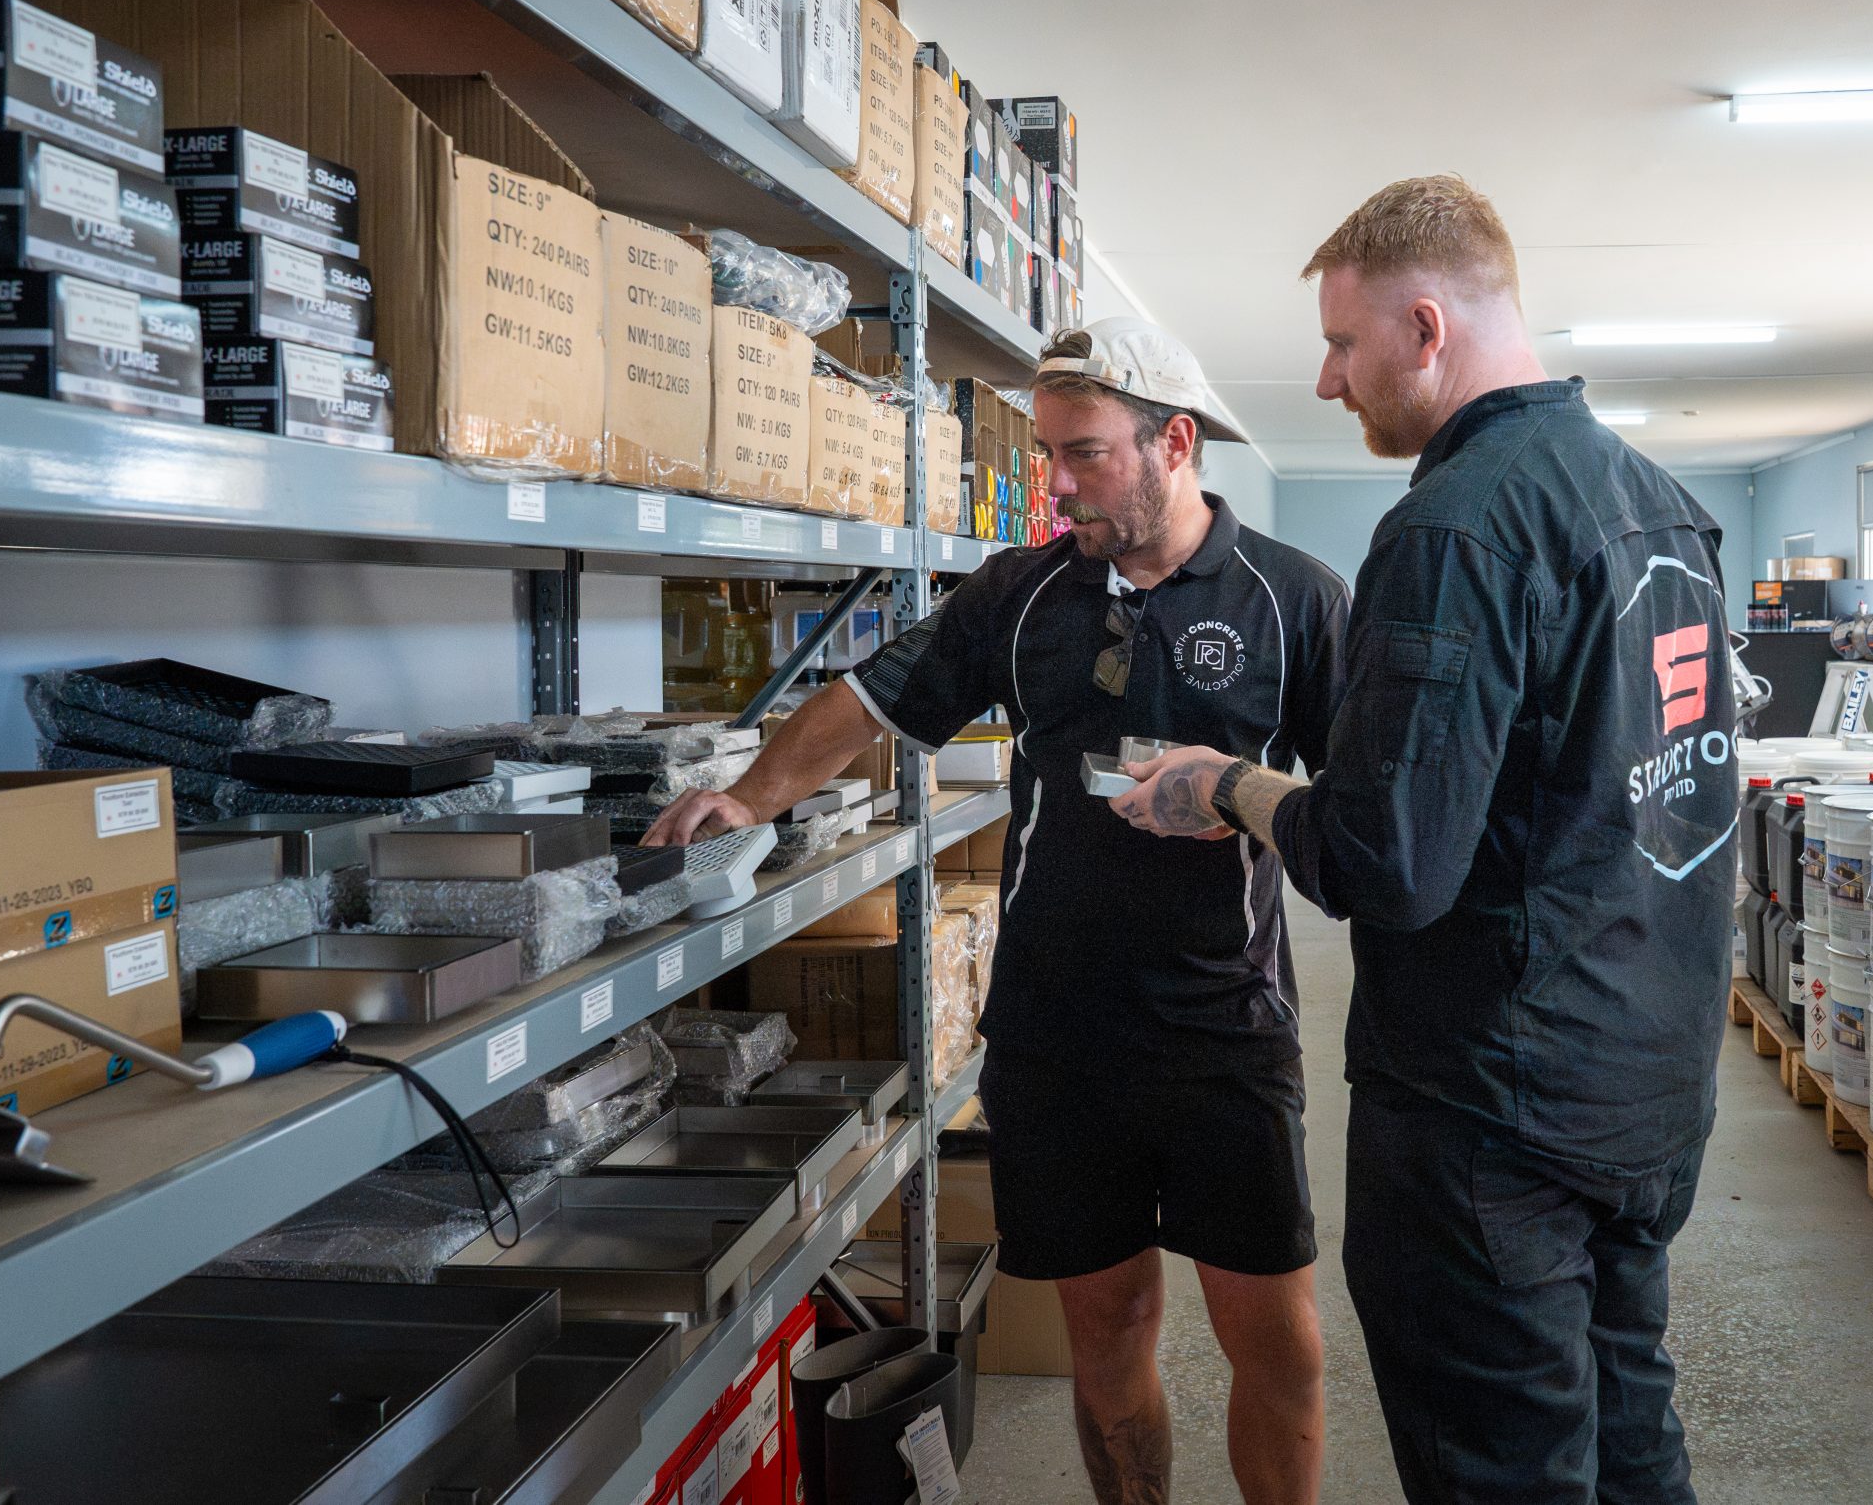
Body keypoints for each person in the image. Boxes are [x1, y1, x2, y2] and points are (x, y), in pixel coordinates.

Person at [1110, 177, 1740, 1505]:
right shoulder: (1660, 503)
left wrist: (1228, 785)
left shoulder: (1456, 525)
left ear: (1426, 326)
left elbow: (1387, 861)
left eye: (1343, 344)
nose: (1329, 380)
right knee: (1629, 1430)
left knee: (1502, 1463)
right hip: (1648, 1081)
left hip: (1496, 1115)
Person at [647, 317, 1351, 1505]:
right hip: (1055, 1034)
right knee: (1108, 1329)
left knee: (1274, 1342)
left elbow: (1358, 811)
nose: (1057, 485)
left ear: (1175, 443)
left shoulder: (1295, 599)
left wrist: (1240, 793)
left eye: (1084, 454)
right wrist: (749, 797)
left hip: (1225, 1029)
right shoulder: (1018, 595)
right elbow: (868, 702)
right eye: (1046, 456)